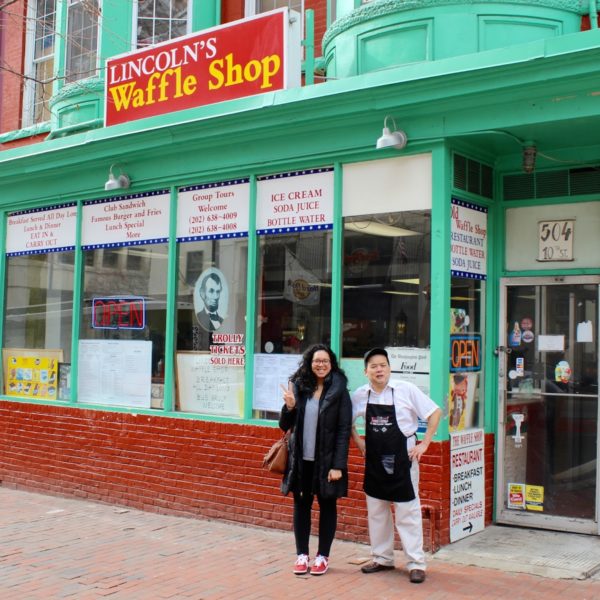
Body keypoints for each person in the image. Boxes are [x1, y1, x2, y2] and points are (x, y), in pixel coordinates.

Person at [351, 347, 442, 584]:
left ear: (389, 368)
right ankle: (382, 558)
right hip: (374, 460)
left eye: (382, 365)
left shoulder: (406, 390)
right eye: (373, 366)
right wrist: (358, 440)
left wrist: (425, 444)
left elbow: (435, 413)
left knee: (407, 512)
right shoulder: (360, 395)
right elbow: (347, 421)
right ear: (366, 371)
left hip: (404, 459)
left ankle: (416, 563)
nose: (379, 369)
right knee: (377, 511)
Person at [279, 344, 352, 576]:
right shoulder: (299, 387)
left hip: (328, 462)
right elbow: (284, 425)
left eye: (325, 361)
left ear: (331, 364)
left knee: (327, 505)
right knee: (301, 505)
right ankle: (302, 555)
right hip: (302, 459)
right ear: (309, 363)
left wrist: (338, 465)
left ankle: (322, 556)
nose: (320, 365)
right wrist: (289, 407)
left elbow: (343, 429)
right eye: (316, 361)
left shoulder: (340, 390)